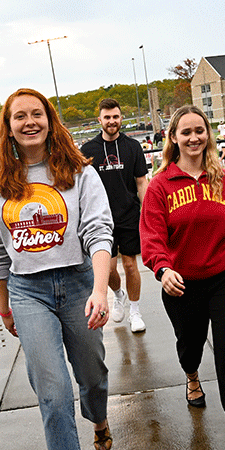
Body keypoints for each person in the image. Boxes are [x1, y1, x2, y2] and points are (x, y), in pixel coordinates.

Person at [0, 88, 114, 450]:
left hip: (77, 281)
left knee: (91, 375)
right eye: (20, 116)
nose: (29, 121)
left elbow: (98, 231)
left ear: (49, 120)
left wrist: (99, 289)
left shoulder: (78, 173)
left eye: (37, 113)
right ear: (9, 126)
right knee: (53, 392)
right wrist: (3, 303)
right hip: (28, 290)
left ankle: (99, 420)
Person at [140, 104, 225, 450]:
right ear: (173, 138)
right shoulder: (160, 187)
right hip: (182, 284)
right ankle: (191, 375)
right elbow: (151, 237)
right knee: (190, 344)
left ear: (208, 134)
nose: (194, 137)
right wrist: (162, 269)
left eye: (200, 130)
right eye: (186, 132)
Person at [80, 98, 150, 333]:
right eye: (107, 117)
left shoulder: (133, 147)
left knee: (131, 265)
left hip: (129, 215)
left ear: (121, 119)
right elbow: (79, 186)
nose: (112, 121)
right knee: (108, 270)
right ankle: (118, 295)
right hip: (101, 219)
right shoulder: (88, 150)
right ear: (99, 120)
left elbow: (141, 182)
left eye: (116, 117)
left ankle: (136, 311)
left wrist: (148, 212)